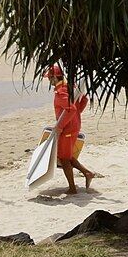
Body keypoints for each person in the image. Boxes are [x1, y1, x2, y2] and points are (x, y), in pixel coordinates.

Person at [46, 65, 100, 193]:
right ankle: (87, 173)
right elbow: (84, 100)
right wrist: (76, 116)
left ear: (54, 77)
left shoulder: (60, 91)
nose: (49, 82)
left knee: (64, 158)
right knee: (66, 155)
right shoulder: (71, 86)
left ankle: (72, 188)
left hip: (67, 129)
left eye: (49, 79)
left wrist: (59, 126)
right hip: (74, 125)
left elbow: (71, 109)